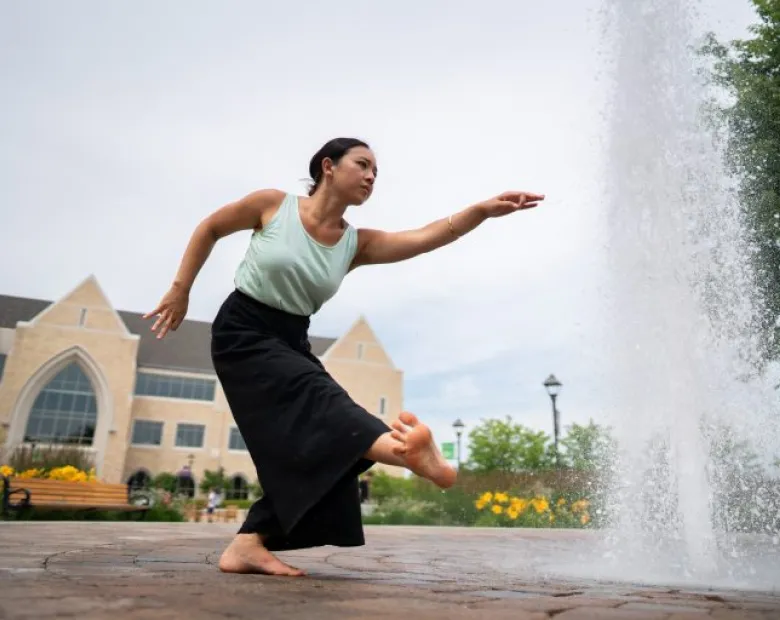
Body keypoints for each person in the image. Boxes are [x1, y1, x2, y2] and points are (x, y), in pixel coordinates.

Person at [144, 137, 544, 576]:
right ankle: (408, 455)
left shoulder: (355, 244)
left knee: (323, 440)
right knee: (323, 405)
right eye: (363, 164)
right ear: (328, 167)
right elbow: (210, 228)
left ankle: (248, 543)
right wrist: (180, 291)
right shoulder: (273, 206)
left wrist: (481, 211)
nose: (372, 176)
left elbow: (426, 237)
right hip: (243, 331)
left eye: (377, 172)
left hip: (293, 339)